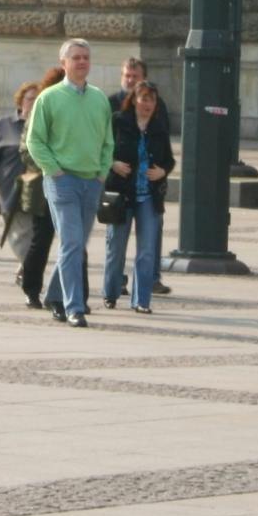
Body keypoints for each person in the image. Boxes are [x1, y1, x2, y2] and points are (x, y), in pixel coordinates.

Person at [25, 38, 116, 327]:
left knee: (74, 245)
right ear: (63, 63)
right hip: (62, 180)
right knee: (73, 242)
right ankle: (74, 306)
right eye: (76, 57)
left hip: (91, 181)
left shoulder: (100, 98)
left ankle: (54, 295)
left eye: (86, 57)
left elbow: (107, 141)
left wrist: (102, 171)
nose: (82, 62)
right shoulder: (49, 98)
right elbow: (34, 140)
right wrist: (53, 170)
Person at [0, 74, 57, 309]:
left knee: (35, 236)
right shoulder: (4, 125)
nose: (33, 102)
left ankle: (27, 270)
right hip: (11, 188)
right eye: (29, 98)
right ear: (20, 101)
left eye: (37, 99)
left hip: (37, 190)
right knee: (18, 234)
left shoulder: (44, 124)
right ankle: (28, 268)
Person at [102, 81, 175, 313]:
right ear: (134, 100)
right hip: (121, 195)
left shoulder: (159, 127)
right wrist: (112, 164)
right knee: (116, 247)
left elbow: (169, 160)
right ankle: (110, 292)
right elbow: (102, 148)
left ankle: (141, 300)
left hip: (149, 196)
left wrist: (163, 171)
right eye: (143, 98)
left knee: (147, 250)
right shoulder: (118, 121)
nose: (147, 104)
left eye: (151, 100)